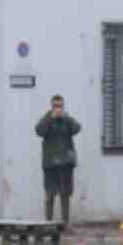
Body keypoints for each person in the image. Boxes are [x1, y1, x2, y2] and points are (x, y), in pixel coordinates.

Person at [35, 94, 81, 226]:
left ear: (63, 106)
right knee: (49, 195)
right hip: (50, 164)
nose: (58, 109)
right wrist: (50, 118)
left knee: (65, 195)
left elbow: (77, 128)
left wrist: (66, 117)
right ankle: (48, 224)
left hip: (65, 164)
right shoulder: (47, 118)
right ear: (51, 106)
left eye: (60, 106)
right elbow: (39, 131)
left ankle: (65, 224)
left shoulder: (66, 119)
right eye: (55, 106)